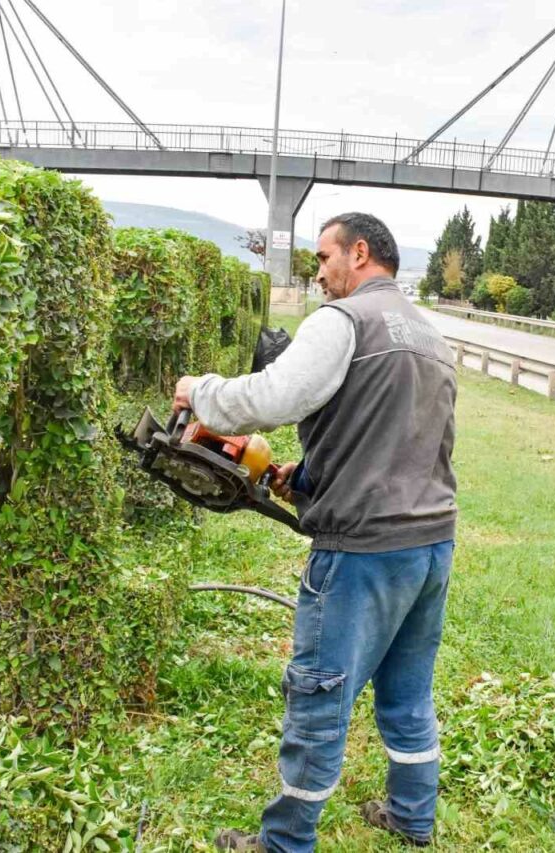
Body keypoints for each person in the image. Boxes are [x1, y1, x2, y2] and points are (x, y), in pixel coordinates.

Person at [171, 213, 458, 851]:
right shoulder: (429, 335)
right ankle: (413, 818)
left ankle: (283, 844)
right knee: (409, 692)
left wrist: (202, 391)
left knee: (318, 696)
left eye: (324, 256)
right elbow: (400, 440)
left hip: (364, 548)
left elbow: (277, 396)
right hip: (431, 542)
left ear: (359, 253)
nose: (318, 270)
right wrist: (308, 476)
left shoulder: (344, 320)